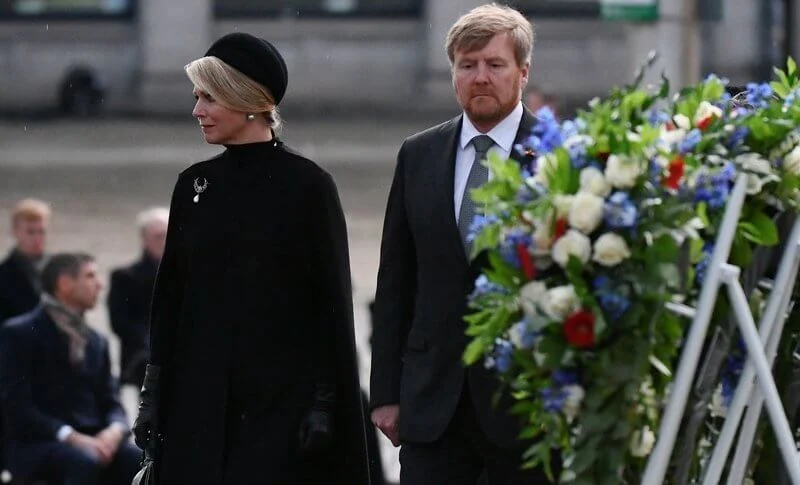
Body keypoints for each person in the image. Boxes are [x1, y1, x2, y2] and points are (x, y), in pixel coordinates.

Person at [131, 32, 370, 485]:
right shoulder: (194, 185)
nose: (196, 111)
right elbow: (171, 302)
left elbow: (331, 306)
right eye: (196, 97)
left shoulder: (308, 187)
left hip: (278, 406)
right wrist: (152, 395)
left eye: (209, 98)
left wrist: (324, 403)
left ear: (248, 101)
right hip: (197, 401)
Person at [370, 4, 556, 484]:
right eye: (467, 65)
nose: (480, 77)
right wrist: (386, 394)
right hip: (432, 407)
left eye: (495, 65)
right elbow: (395, 280)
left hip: (527, 408)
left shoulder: (562, 155)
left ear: (523, 71)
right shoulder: (418, 154)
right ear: (453, 72)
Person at [0, 252, 140, 485]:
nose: (100, 284)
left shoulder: (97, 341)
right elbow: (16, 406)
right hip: (36, 444)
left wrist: (114, 430)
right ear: (64, 284)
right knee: (84, 461)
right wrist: (72, 437)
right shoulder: (20, 333)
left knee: (139, 460)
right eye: (90, 276)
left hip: (93, 440)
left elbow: (111, 400)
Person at [107, 207, 168, 389]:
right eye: (158, 236)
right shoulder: (125, 276)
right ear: (144, 239)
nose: (164, 241)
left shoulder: (187, 276)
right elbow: (119, 322)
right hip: (141, 360)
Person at [0, 198, 51, 325]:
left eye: (41, 232)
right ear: (15, 232)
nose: (37, 238)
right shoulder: (3, 275)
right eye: (30, 232)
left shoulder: (58, 269)